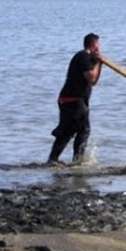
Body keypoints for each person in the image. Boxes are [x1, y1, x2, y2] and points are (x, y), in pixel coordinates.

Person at [48, 33, 103, 164]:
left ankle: (53, 160)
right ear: (94, 44)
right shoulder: (83, 56)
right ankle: (77, 161)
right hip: (73, 100)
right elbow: (92, 77)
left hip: (70, 99)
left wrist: (98, 63)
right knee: (84, 130)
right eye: (98, 44)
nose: (99, 47)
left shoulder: (88, 59)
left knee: (68, 131)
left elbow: (93, 81)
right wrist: (98, 63)